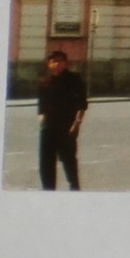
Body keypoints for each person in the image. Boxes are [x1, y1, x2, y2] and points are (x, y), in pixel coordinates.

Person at [36, 50, 87, 191]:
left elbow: (82, 104)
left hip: (67, 128)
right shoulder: (44, 83)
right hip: (48, 129)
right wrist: (42, 121)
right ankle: (48, 192)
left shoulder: (75, 80)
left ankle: (74, 190)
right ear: (49, 64)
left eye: (60, 61)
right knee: (46, 165)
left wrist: (76, 124)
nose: (57, 64)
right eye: (53, 61)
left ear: (65, 63)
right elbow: (41, 108)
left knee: (69, 163)